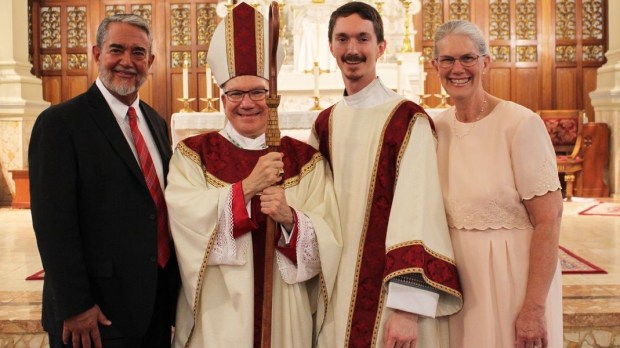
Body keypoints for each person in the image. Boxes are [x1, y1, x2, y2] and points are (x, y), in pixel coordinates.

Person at [164, 3, 341, 348]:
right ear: (222, 97)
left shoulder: (304, 159)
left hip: (285, 312)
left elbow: (331, 238)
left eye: (257, 92)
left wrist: (291, 219)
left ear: (273, 96)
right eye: (236, 93)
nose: (247, 103)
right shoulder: (194, 155)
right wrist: (246, 189)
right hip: (219, 311)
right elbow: (185, 223)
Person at [309, 2, 463, 347]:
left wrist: (407, 309)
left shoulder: (407, 120)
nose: (352, 50)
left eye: (362, 39)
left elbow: (419, 214)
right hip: (335, 292)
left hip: (390, 301)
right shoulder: (325, 124)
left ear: (380, 47)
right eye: (343, 39)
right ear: (331, 46)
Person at [29, 14, 179, 348]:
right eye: (117, 50)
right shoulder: (60, 124)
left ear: (151, 61)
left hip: (152, 306)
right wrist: (75, 305)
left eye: (138, 53)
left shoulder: (155, 122)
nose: (127, 61)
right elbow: (53, 225)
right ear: (97, 54)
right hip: (94, 314)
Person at [431, 20, 563, 348]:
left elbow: (549, 220)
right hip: (458, 287)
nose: (457, 68)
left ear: (486, 62)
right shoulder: (435, 128)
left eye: (468, 58)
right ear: (435, 66)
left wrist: (533, 308)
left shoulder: (520, 125)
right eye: (447, 60)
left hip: (513, 282)